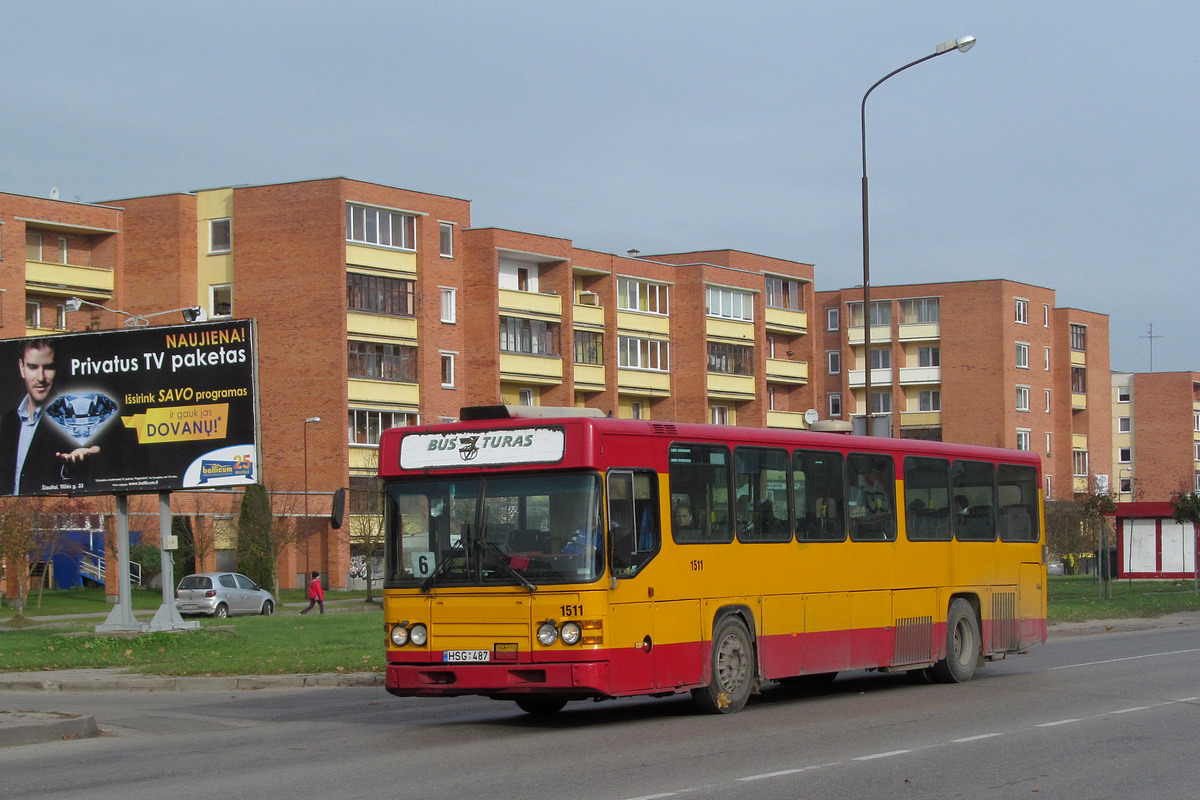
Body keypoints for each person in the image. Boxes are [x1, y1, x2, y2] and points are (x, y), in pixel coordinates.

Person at [0, 339, 99, 496]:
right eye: (33, 367)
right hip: (12, 513)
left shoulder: (74, 417)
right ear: (22, 368)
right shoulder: (9, 421)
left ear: (56, 369)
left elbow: (91, 476)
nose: (41, 377)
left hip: (50, 511)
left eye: (48, 367)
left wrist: (70, 469)